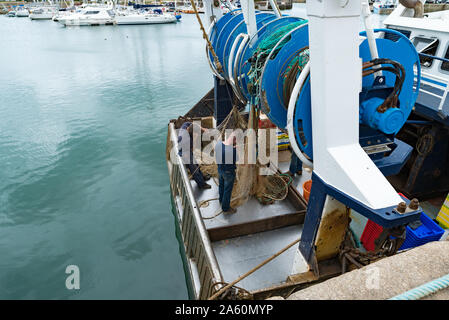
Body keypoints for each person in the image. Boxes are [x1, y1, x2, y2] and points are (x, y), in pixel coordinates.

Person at [178, 122, 211, 190]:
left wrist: (203, 129)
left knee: (196, 164)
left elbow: (193, 124)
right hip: (185, 152)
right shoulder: (186, 139)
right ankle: (201, 184)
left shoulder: (185, 125)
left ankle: (202, 177)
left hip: (187, 149)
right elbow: (192, 148)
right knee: (194, 169)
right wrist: (195, 139)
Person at [215, 133, 238, 214]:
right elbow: (236, 159)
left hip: (220, 169)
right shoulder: (233, 150)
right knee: (227, 190)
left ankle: (221, 200)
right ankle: (225, 208)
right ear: (234, 140)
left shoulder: (218, 144)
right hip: (229, 173)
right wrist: (235, 149)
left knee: (221, 186)